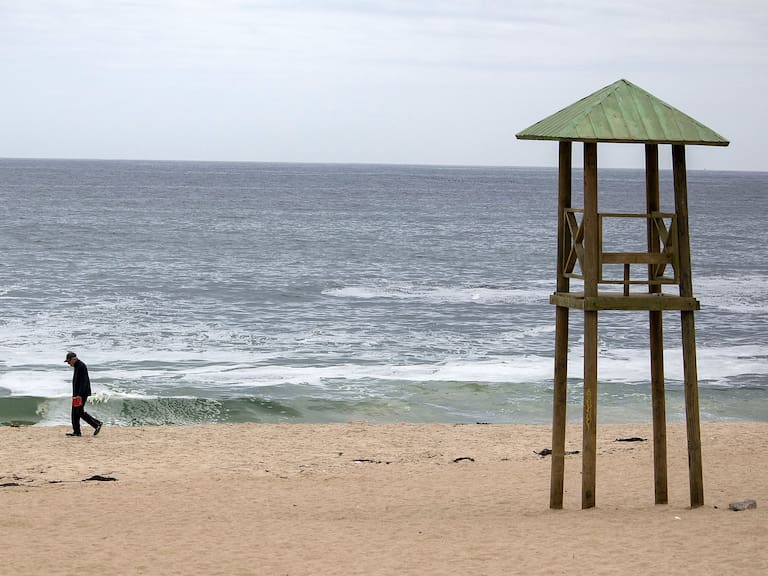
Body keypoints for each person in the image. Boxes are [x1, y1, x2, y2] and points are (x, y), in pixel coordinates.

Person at [64, 351, 103, 437]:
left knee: (79, 411)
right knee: (75, 412)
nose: (68, 363)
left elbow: (84, 382)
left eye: (68, 361)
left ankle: (97, 424)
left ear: (73, 359)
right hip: (77, 394)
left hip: (81, 394)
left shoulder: (81, 366)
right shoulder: (77, 366)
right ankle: (77, 432)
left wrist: (79, 395)